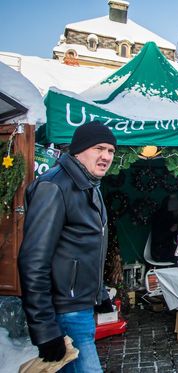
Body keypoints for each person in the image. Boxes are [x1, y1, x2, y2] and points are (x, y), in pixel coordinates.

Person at [18, 121, 117, 372]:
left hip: (80, 308)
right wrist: (45, 330)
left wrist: (99, 293)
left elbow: (80, 248)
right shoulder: (54, 186)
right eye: (99, 148)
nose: (106, 156)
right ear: (79, 150)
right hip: (64, 312)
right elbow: (33, 261)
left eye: (111, 151)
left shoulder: (89, 185)